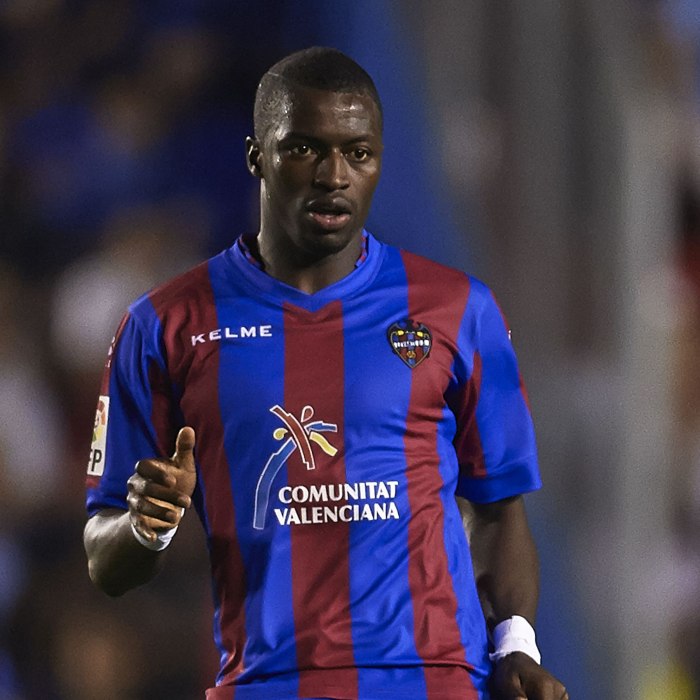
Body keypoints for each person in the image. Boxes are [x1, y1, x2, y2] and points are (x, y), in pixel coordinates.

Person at [83, 46, 568, 700]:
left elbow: (499, 509)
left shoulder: (459, 309)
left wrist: (515, 646)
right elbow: (105, 559)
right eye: (305, 149)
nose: (334, 175)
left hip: (437, 682)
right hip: (267, 685)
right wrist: (147, 526)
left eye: (358, 153)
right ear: (257, 156)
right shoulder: (163, 326)